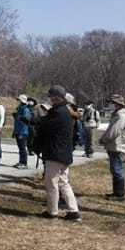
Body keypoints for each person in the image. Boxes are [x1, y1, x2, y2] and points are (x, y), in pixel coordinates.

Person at [33, 85, 81, 221]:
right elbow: (46, 123)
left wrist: (33, 122)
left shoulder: (58, 112)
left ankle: (52, 211)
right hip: (63, 153)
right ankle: (74, 211)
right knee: (64, 182)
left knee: (51, 183)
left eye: (52, 97)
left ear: (58, 97)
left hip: (55, 153)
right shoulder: (65, 111)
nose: (50, 99)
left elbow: (45, 126)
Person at [99, 94, 125, 201]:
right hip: (114, 145)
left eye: (112, 103)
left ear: (118, 104)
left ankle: (120, 193)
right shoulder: (117, 115)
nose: (110, 104)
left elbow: (113, 132)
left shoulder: (120, 116)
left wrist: (104, 139)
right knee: (115, 168)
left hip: (118, 146)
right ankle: (116, 192)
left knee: (117, 169)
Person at [12, 94, 33, 169]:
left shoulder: (25, 109)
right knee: (20, 148)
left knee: (22, 148)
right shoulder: (19, 108)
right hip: (18, 130)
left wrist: (19, 117)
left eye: (18, 100)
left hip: (23, 131)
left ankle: (24, 163)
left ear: (21, 101)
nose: (17, 101)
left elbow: (26, 121)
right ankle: (21, 161)